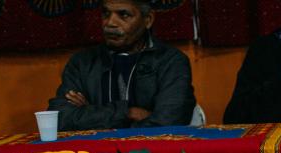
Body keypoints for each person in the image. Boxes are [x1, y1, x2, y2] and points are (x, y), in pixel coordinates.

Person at [48, 0, 196, 132]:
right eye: (106, 13)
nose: (110, 23)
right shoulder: (82, 63)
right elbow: (60, 119)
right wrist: (127, 113)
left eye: (123, 15)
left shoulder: (170, 61)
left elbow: (168, 123)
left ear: (148, 20)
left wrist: (91, 113)